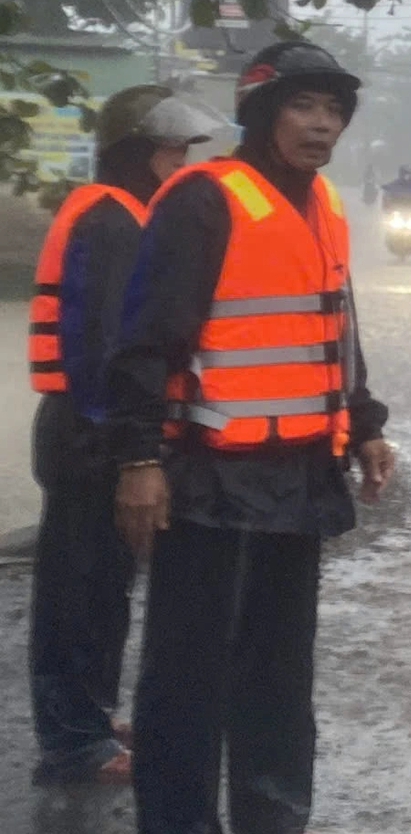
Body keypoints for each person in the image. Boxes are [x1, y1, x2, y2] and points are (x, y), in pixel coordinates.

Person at [102, 41, 396, 834]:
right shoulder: (206, 199)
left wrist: (363, 422)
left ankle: (272, 820)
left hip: (299, 475)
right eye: (304, 106)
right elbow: (146, 340)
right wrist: (138, 459)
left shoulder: (324, 205)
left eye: (334, 110)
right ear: (261, 111)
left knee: (277, 679)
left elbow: (337, 327)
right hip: (208, 479)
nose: (322, 125)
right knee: (187, 679)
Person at [27, 85, 223, 787]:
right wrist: (130, 452)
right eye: (172, 148)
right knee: (79, 590)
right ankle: (72, 742)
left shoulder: (127, 213)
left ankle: (89, 715)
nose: (182, 161)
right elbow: (106, 346)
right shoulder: (112, 221)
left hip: (90, 429)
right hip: (91, 431)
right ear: (138, 152)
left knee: (103, 585)